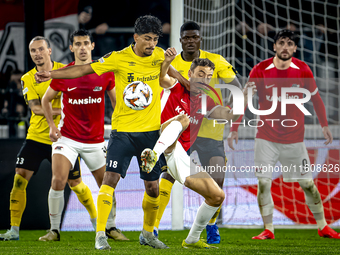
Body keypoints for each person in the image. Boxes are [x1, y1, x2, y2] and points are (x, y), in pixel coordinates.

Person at [35, 15, 188, 250]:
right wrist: (51, 74)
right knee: (109, 180)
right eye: (147, 39)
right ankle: (100, 234)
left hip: (150, 134)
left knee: (153, 188)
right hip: (122, 134)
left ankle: (147, 234)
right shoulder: (117, 58)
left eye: (155, 39)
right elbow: (83, 70)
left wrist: (186, 82)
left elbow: (171, 78)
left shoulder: (159, 55)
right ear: (136, 37)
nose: (152, 44)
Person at [228, 30, 339, 240]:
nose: (285, 47)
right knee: (263, 183)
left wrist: (324, 125)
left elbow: (315, 99)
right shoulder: (260, 70)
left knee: (308, 185)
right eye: (281, 43)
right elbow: (244, 100)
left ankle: (323, 226)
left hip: (295, 141)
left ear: (295, 48)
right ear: (274, 47)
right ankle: (268, 229)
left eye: (290, 43)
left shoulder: (303, 69)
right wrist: (235, 128)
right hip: (265, 139)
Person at [140, 51, 255, 248]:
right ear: (191, 73)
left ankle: (192, 239)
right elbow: (162, 76)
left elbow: (229, 115)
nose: (205, 79)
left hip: (178, 155)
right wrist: (168, 61)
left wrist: (244, 98)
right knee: (183, 119)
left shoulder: (206, 100)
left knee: (217, 195)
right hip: (156, 139)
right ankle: (153, 157)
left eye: (209, 76)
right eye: (200, 74)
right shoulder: (175, 86)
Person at [154, 21, 242, 244]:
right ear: (181, 39)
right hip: (181, 132)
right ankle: (153, 226)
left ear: (200, 39)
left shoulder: (215, 62)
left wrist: (234, 118)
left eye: (195, 37)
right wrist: (168, 65)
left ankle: (210, 227)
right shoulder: (175, 71)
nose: (191, 41)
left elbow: (236, 90)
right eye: (187, 37)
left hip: (209, 132)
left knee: (217, 181)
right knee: (168, 175)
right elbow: (163, 77)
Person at [39, 29, 128, 242]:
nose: (81, 48)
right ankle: (54, 230)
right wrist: (52, 126)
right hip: (67, 139)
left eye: (85, 43)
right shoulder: (64, 74)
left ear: (92, 46)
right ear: (71, 48)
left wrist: (119, 127)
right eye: (77, 44)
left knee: (107, 183)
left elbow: (115, 103)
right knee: (58, 180)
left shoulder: (105, 72)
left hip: (96, 141)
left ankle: (111, 227)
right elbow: (45, 100)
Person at [0, 36, 89, 241]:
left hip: (64, 137)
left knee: (75, 183)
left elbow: (78, 98)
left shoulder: (66, 71)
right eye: (33, 51)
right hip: (37, 137)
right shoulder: (27, 78)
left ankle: (99, 225)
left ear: (49, 51)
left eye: (41, 49)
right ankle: (13, 230)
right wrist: (65, 109)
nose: (37, 54)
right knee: (19, 179)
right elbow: (36, 108)